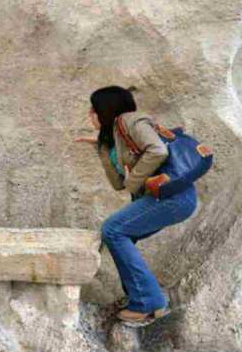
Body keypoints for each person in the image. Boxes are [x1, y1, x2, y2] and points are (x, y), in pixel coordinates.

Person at [74, 86, 197, 327]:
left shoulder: (132, 121)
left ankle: (148, 303)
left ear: (105, 109)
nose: (90, 113)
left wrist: (134, 180)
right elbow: (119, 185)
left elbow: (158, 150)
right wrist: (102, 147)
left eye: (93, 108)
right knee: (118, 234)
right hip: (166, 200)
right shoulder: (115, 137)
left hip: (174, 198)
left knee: (113, 229)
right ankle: (138, 297)